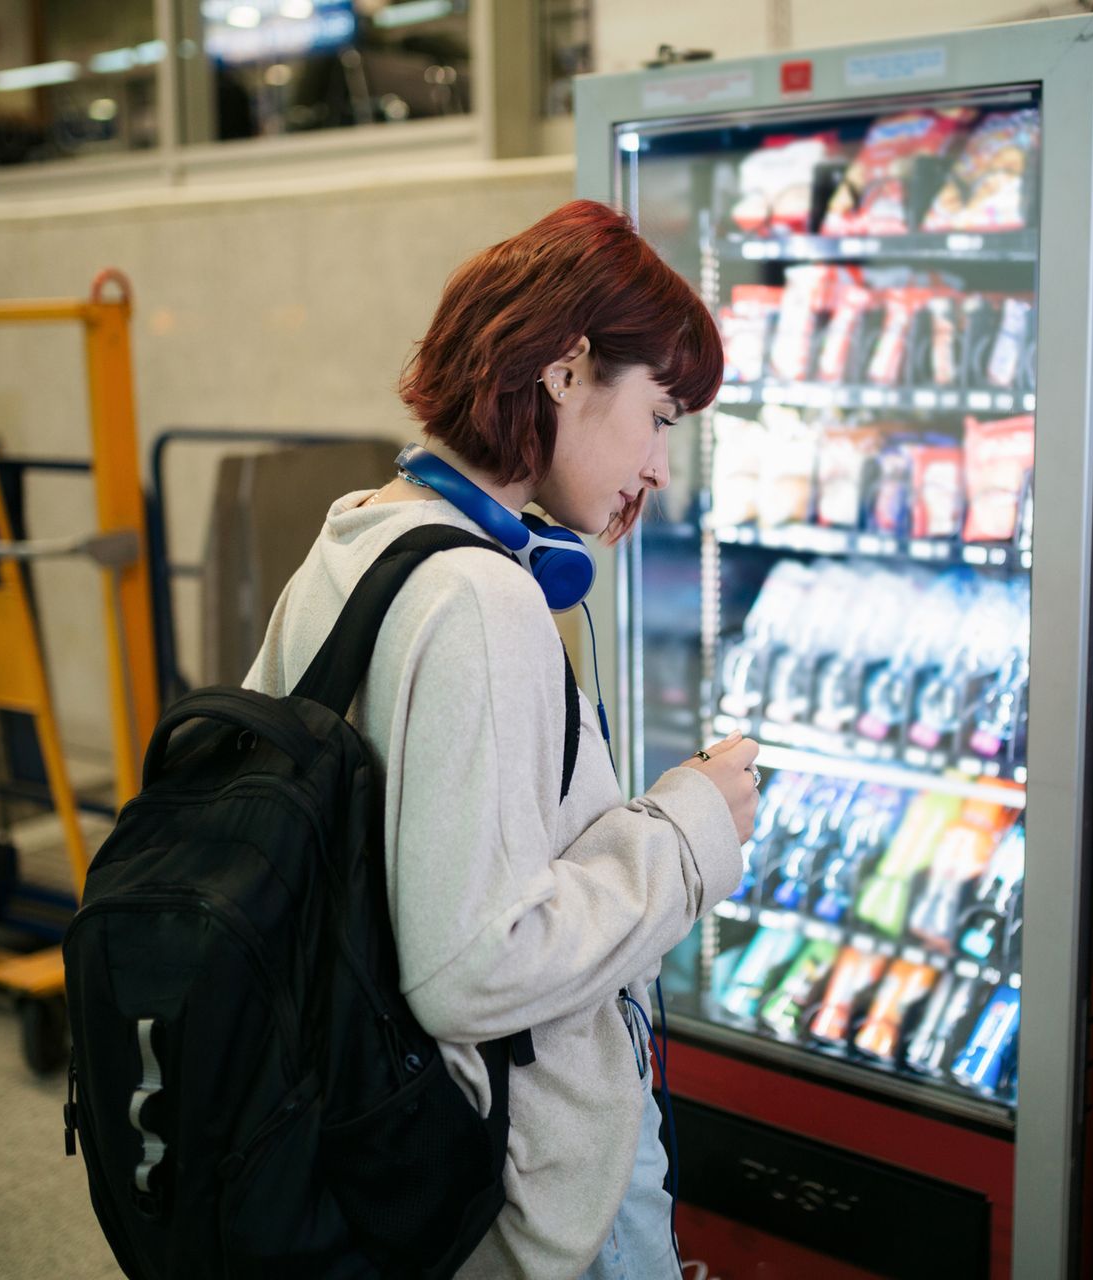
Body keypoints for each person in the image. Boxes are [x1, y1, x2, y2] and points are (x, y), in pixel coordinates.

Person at [244, 199, 760, 1278]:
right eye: (660, 413)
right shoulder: (481, 598)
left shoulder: (359, 535)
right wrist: (688, 830)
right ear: (567, 370)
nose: (661, 463)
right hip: (523, 1201)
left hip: (380, 1158)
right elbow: (473, 961)